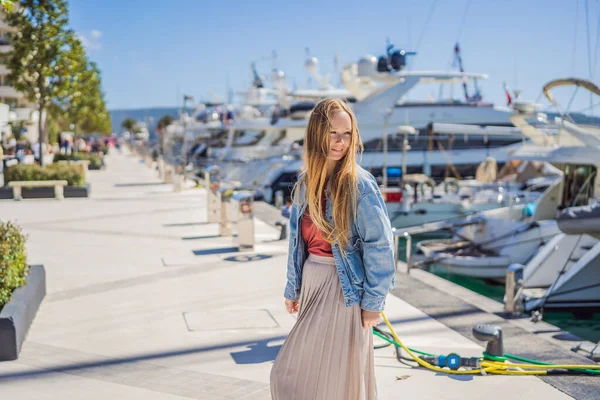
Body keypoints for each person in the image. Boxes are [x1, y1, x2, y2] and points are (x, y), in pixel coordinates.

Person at [270, 99, 396, 399]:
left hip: (344, 290)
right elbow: (297, 242)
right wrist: (293, 287)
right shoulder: (305, 183)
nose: (341, 142)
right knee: (291, 374)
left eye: (347, 133)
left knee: (335, 380)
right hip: (313, 284)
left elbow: (380, 244)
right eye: (333, 133)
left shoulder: (359, 184)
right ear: (316, 134)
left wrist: (373, 303)